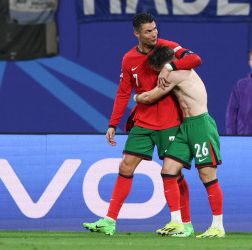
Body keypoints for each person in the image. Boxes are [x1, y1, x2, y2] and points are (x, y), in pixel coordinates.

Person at [82, 13, 202, 237]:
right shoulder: (128, 59)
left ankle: (185, 223)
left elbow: (195, 59)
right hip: (143, 121)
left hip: (170, 121)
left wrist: (170, 67)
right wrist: (112, 123)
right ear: (136, 34)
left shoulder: (168, 47)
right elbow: (123, 93)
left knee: (174, 175)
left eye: (155, 29)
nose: (154, 34)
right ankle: (109, 221)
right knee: (125, 166)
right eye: (148, 31)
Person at [134, 46, 225, 238]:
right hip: (185, 127)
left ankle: (218, 226)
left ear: (162, 66)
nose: (159, 75)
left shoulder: (176, 74)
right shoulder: (176, 67)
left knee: (207, 176)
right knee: (168, 171)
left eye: (158, 71)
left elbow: (150, 98)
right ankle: (178, 223)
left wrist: (134, 96)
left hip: (201, 126)